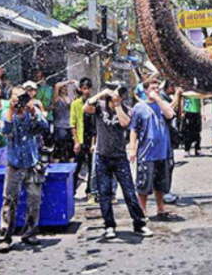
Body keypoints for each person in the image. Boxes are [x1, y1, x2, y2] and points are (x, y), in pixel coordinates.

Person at [84, 83, 151, 239]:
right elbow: (86, 108)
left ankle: (139, 224)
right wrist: (102, 93)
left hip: (120, 158)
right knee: (104, 193)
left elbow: (124, 123)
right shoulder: (99, 106)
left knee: (129, 192)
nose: (118, 95)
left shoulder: (126, 109)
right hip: (102, 157)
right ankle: (109, 226)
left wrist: (117, 104)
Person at [0, 87, 49, 253]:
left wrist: (33, 111)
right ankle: (5, 236)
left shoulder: (32, 111)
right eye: (16, 97)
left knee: (34, 200)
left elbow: (44, 126)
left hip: (32, 162)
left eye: (22, 97)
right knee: (9, 201)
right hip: (14, 164)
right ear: (10, 98)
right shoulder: (6, 112)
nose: (20, 101)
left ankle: (30, 233)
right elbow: (5, 130)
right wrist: (12, 110)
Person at [128, 78, 176, 220]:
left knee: (160, 183)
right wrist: (132, 149)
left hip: (163, 151)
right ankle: (143, 210)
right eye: (153, 88)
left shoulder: (163, 104)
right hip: (146, 152)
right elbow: (133, 130)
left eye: (157, 88)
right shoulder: (139, 107)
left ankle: (160, 208)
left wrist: (159, 100)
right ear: (146, 90)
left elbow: (170, 114)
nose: (156, 91)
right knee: (144, 183)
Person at [70, 78, 97, 203]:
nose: (86, 91)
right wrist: (76, 141)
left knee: (92, 167)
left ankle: (90, 192)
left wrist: (93, 143)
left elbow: (95, 126)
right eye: (84, 88)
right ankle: (71, 191)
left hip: (91, 137)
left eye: (88, 88)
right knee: (77, 166)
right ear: (80, 89)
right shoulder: (76, 103)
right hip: (80, 138)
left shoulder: (94, 103)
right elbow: (73, 124)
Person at [50, 80, 76, 163]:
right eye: (63, 87)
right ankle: (55, 168)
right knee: (59, 148)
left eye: (66, 87)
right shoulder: (57, 98)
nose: (65, 89)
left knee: (71, 148)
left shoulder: (70, 98)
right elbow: (56, 85)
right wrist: (69, 81)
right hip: (60, 126)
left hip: (69, 126)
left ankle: (72, 170)